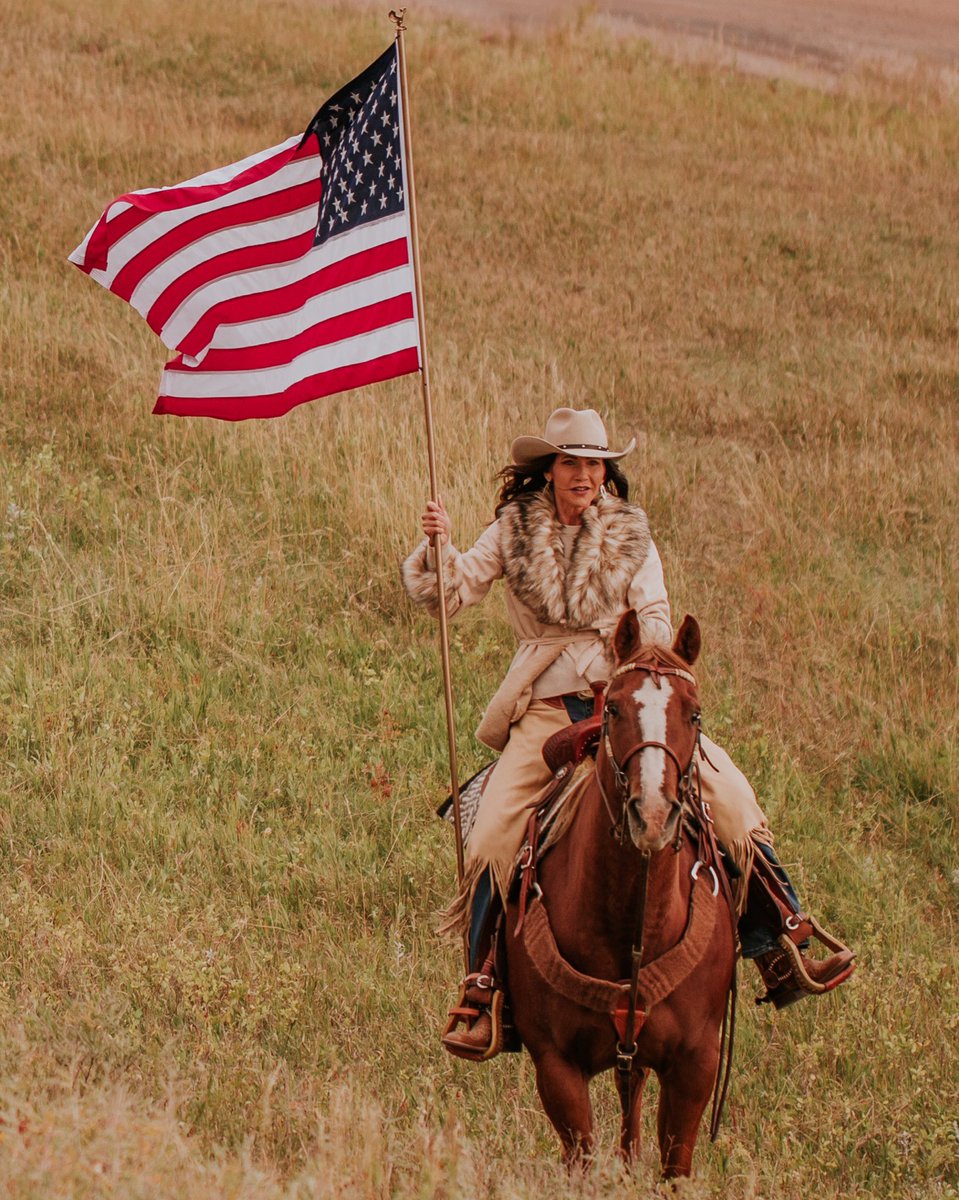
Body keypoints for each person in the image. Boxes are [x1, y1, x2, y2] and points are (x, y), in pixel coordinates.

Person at [402, 408, 854, 1059]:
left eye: (593, 463)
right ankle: (482, 989)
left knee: (729, 801)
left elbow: (655, 611)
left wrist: (643, 668)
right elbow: (449, 593)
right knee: (493, 834)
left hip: (628, 701)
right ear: (549, 469)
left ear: (603, 470)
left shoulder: (629, 534)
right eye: (570, 462)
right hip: (544, 710)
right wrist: (436, 546)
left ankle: (784, 937)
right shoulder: (512, 528)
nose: (582, 474)